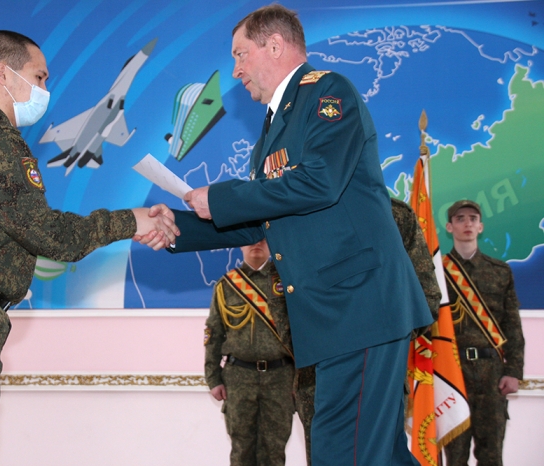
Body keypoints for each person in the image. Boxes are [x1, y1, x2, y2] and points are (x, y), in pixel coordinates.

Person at [153, 4, 434, 464]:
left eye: (240, 54)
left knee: (345, 453)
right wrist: (172, 229)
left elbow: (320, 181)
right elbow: (260, 219)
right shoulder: (272, 130)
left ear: (275, 45)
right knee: (373, 453)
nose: (235, 69)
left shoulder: (327, 92)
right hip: (335, 316)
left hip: (360, 306)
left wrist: (219, 197)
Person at [0, 30, 178, 466]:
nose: (44, 90)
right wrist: (129, 221)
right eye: (39, 77)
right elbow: (47, 233)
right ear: (3, 74)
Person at [294, 197, 442, 465]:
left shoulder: (394, 213)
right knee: (328, 457)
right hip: (314, 373)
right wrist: (324, 343)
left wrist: (382, 344)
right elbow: (284, 297)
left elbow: (426, 295)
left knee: (383, 456)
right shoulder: (300, 210)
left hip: (378, 371)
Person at [442, 200, 524, 466]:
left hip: (491, 372)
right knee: (454, 454)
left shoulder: (499, 271)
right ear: (449, 227)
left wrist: (513, 371)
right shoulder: (437, 273)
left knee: (491, 454)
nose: (467, 223)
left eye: (473, 218)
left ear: (481, 226)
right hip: (453, 371)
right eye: (460, 218)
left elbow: (512, 325)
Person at [205, 239, 295, 466]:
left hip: (280, 378)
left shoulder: (287, 282)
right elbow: (214, 334)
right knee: (241, 449)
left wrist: (300, 379)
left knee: (274, 450)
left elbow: (302, 333)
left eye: (263, 239)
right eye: (249, 239)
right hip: (239, 377)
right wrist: (213, 378)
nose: (256, 244)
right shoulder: (227, 285)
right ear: (240, 244)